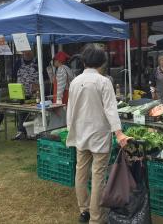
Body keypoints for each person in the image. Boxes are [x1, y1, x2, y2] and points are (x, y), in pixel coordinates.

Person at [66, 44, 131, 224]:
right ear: (102, 62)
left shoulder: (75, 81)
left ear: (85, 61)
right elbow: (111, 110)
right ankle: (96, 218)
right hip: (99, 135)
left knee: (81, 173)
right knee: (98, 177)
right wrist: (119, 134)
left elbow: (70, 110)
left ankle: (84, 210)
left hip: (80, 133)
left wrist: (70, 130)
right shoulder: (103, 81)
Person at [12, 50, 39, 140]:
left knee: (36, 113)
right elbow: (13, 75)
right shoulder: (18, 62)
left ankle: (35, 132)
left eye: (29, 52)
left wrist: (38, 86)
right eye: (25, 52)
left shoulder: (37, 62)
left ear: (32, 52)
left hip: (34, 92)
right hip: (21, 91)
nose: (27, 54)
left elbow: (44, 76)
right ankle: (21, 131)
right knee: (22, 112)